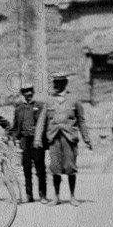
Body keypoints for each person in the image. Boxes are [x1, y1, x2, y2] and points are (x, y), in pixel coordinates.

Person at [34, 73, 92, 206]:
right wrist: (37, 138)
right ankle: (56, 196)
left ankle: (72, 196)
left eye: (58, 82)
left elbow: (81, 121)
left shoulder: (74, 99)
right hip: (54, 139)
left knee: (70, 167)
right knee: (55, 168)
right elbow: (42, 121)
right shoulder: (49, 100)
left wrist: (87, 139)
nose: (55, 85)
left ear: (64, 83)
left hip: (69, 138)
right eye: (54, 82)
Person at [11, 84, 47, 203]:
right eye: (26, 91)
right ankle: (29, 195)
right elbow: (16, 126)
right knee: (26, 169)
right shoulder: (19, 108)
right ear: (23, 94)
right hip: (24, 141)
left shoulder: (39, 106)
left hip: (36, 141)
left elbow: (43, 124)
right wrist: (16, 139)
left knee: (40, 168)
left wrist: (40, 138)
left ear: (33, 92)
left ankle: (42, 195)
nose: (28, 93)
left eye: (30, 91)